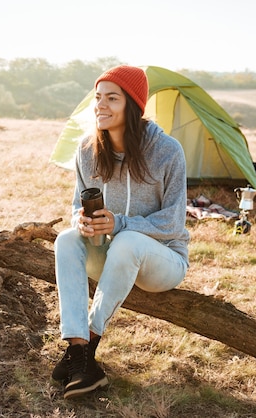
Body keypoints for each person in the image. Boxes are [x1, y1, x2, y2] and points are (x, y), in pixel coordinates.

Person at [52, 65, 190, 399]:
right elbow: (74, 208)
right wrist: (80, 223)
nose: (101, 105)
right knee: (66, 240)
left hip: (163, 261)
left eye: (112, 98)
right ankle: (77, 345)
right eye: (98, 97)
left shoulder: (167, 151)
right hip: (111, 256)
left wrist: (121, 223)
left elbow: (174, 222)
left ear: (133, 106)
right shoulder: (87, 150)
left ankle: (88, 349)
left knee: (127, 240)